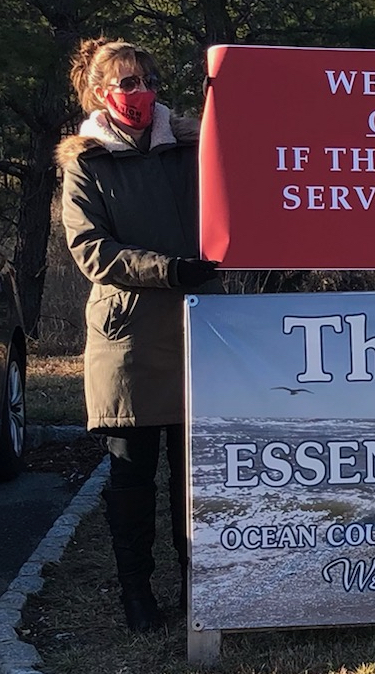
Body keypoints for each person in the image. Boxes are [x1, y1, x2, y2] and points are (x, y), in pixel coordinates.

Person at [55, 38, 220, 631]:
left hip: (200, 328)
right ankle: (137, 593)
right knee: (131, 474)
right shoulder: (86, 162)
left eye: (148, 79)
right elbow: (91, 251)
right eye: (127, 83)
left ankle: (197, 587)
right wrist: (168, 269)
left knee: (194, 476)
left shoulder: (195, 144)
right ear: (103, 92)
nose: (142, 92)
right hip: (127, 338)